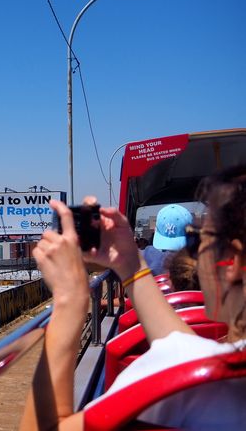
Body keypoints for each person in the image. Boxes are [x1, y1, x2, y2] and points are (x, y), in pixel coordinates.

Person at [22, 164, 246, 431]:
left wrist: (69, 302)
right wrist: (131, 265)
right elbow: (180, 346)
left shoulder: (189, 392)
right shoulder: (224, 368)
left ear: (231, 261)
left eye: (198, 240)